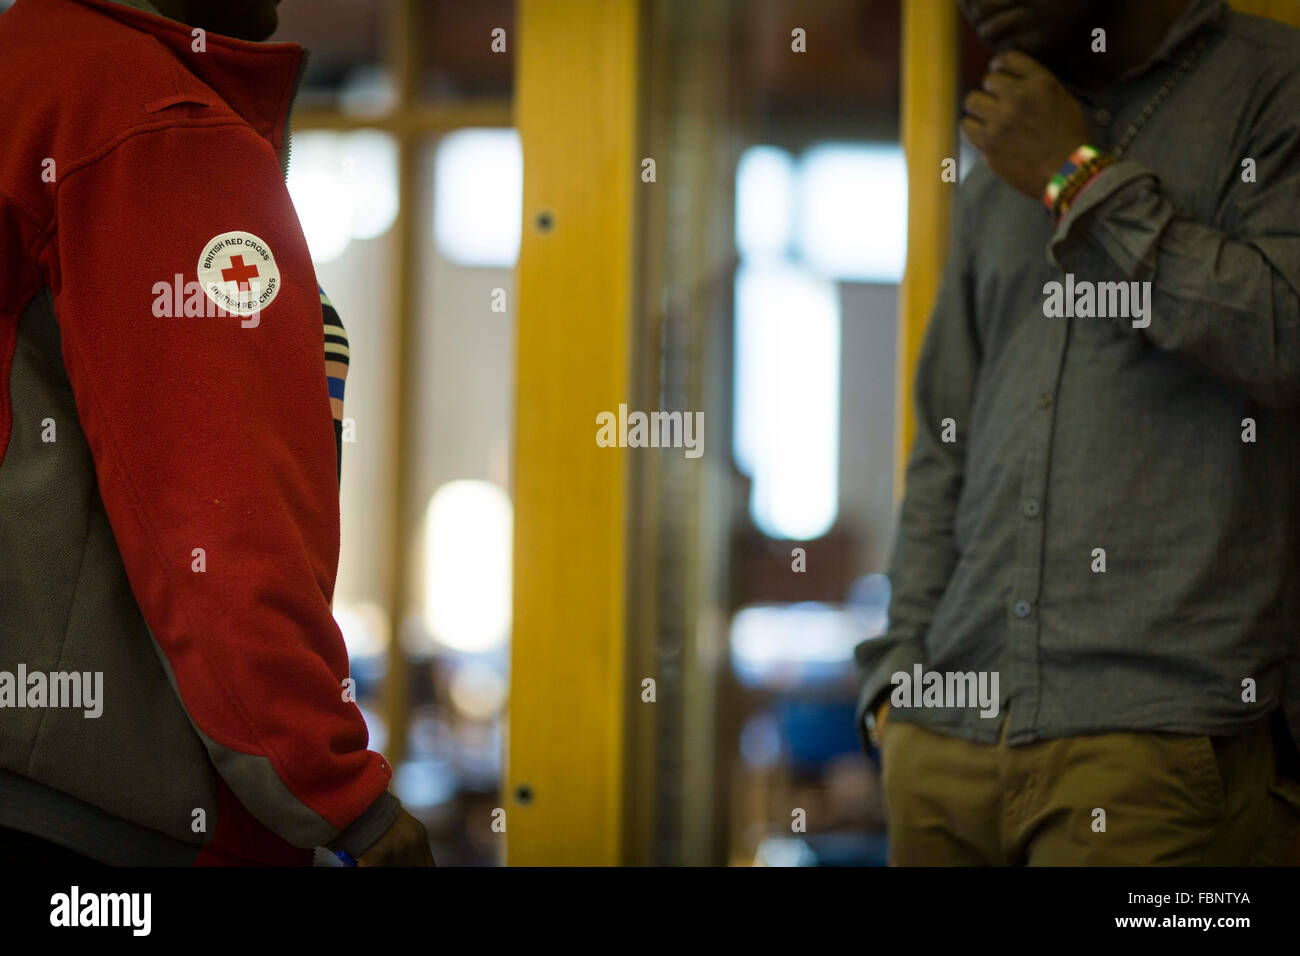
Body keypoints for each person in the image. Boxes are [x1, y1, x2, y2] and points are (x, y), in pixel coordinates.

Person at [856, 0, 1300, 864]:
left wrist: (1076, 178)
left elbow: (1286, 335)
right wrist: (898, 689)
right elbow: (948, 439)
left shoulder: (1274, 86)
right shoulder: (998, 148)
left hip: (1160, 755)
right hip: (945, 751)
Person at [0, 0, 432, 866]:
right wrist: (346, 798)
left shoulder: (25, 72)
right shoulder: (151, 122)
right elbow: (217, 523)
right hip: (91, 828)